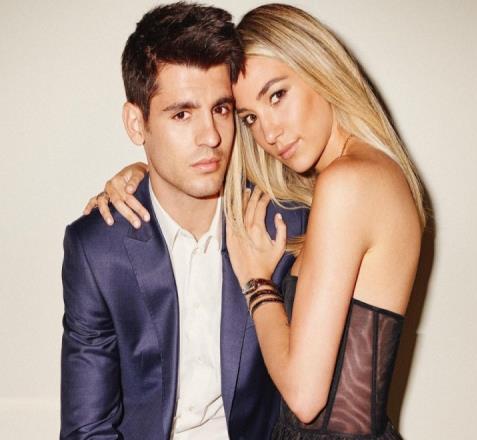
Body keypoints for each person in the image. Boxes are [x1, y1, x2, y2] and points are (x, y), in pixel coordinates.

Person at [89, 4, 425, 439]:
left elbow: (304, 396)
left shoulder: (347, 183)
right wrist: (142, 174)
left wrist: (256, 283)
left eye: (277, 95)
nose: (268, 133)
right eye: (249, 117)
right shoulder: (370, 174)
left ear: (319, 68)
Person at [61, 3, 308, 439]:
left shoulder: (283, 225)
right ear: (136, 123)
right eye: (181, 114)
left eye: (222, 109)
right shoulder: (98, 249)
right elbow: (88, 427)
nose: (210, 136)